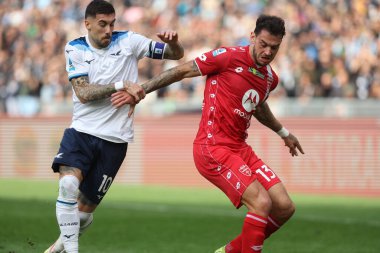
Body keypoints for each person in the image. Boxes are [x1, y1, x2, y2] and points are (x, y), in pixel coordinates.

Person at [116, 14, 304, 253]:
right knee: (261, 203)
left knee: (285, 207)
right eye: (263, 44)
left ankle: (230, 251)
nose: (267, 52)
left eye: (274, 48)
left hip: (240, 148)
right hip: (212, 147)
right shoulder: (227, 57)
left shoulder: (269, 79)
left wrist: (283, 132)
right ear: (253, 37)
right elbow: (180, 72)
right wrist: (141, 90)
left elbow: (258, 106)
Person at [44, 1, 184, 253]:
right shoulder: (74, 48)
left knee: (83, 217)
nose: (108, 30)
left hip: (115, 141)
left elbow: (175, 55)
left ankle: (55, 250)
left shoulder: (129, 41)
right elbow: (84, 92)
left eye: (112, 24)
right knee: (67, 186)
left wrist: (173, 43)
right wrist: (121, 84)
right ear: (87, 24)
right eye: (102, 24)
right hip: (82, 133)